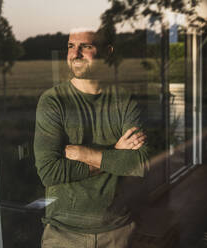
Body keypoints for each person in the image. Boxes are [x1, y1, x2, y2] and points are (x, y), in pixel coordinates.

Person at [34, 27, 149, 248]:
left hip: (117, 232)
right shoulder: (53, 101)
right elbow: (49, 172)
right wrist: (115, 155)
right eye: (70, 46)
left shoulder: (123, 100)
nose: (75, 53)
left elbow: (140, 163)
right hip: (63, 235)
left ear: (107, 52)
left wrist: (85, 153)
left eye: (85, 46)